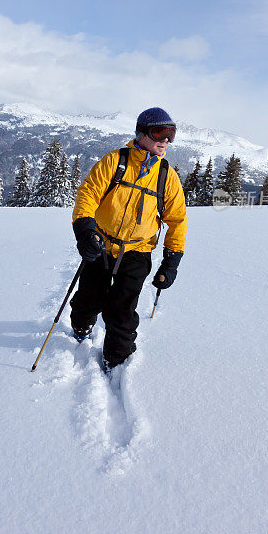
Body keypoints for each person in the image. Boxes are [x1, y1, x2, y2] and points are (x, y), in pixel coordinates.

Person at [70, 107, 187, 372]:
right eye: (160, 132)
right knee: (89, 298)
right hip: (101, 244)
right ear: (142, 132)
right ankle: (81, 326)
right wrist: (86, 230)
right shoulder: (115, 161)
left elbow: (177, 220)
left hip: (137, 252)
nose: (166, 140)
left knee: (123, 310)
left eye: (171, 134)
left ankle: (117, 358)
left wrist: (171, 261)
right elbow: (88, 195)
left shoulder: (167, 176)